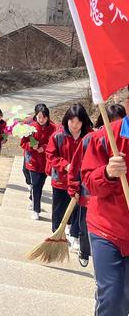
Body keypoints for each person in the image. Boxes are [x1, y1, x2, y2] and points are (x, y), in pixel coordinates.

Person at [82, 113, 129, 316]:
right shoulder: (105, 137)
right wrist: (108, 172)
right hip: (107, 228)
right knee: (112, 297)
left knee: (125, 296)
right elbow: (90, 183)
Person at [68, 104, 126, 267]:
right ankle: (84, 251)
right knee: (83, 227)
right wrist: (73, 187)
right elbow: (77, 166)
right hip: (90, 196)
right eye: (112, 120)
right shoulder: (94, 138)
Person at [46, 103, 92, 236]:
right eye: (72, 121)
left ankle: (73, 233)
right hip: (61, 179)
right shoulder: (58, 135)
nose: (75, 125)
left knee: (77, 209)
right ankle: (56, 233)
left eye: (78, 122)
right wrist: (66, 165)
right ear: (67, 120)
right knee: (59, 208)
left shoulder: (89, 136)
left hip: (81, 180)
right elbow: (50, 155)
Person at [21, 103, 57, 220]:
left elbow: (55, 144)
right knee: (36, 184)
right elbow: (23, 143)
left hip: (46, 163)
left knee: (40, 185)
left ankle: (33, 198)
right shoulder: (30, 127)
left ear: (48, 117)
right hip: (33, 161)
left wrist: (45, 147)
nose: (41, 120)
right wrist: (32, 146)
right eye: (39, 117)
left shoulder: (53, 128)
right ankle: (36, 210)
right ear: (35, 116)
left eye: (44, 117)